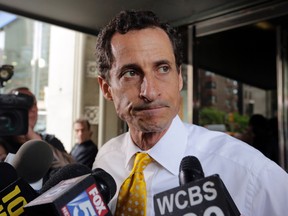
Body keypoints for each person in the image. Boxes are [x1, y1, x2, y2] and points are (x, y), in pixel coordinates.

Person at [92, 10, 288, 216]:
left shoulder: (250, 173)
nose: (149, 92)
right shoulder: (107, 158)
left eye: (163, 69)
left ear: (180, 78)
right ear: (106, 88)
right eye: (131, 73)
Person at [1, 87, 74, 181]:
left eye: (33, 104)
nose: (31, 109)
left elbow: (72, 171)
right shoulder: (2, 142)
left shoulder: (50, 141)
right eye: (20, 104)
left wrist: (37, 141)